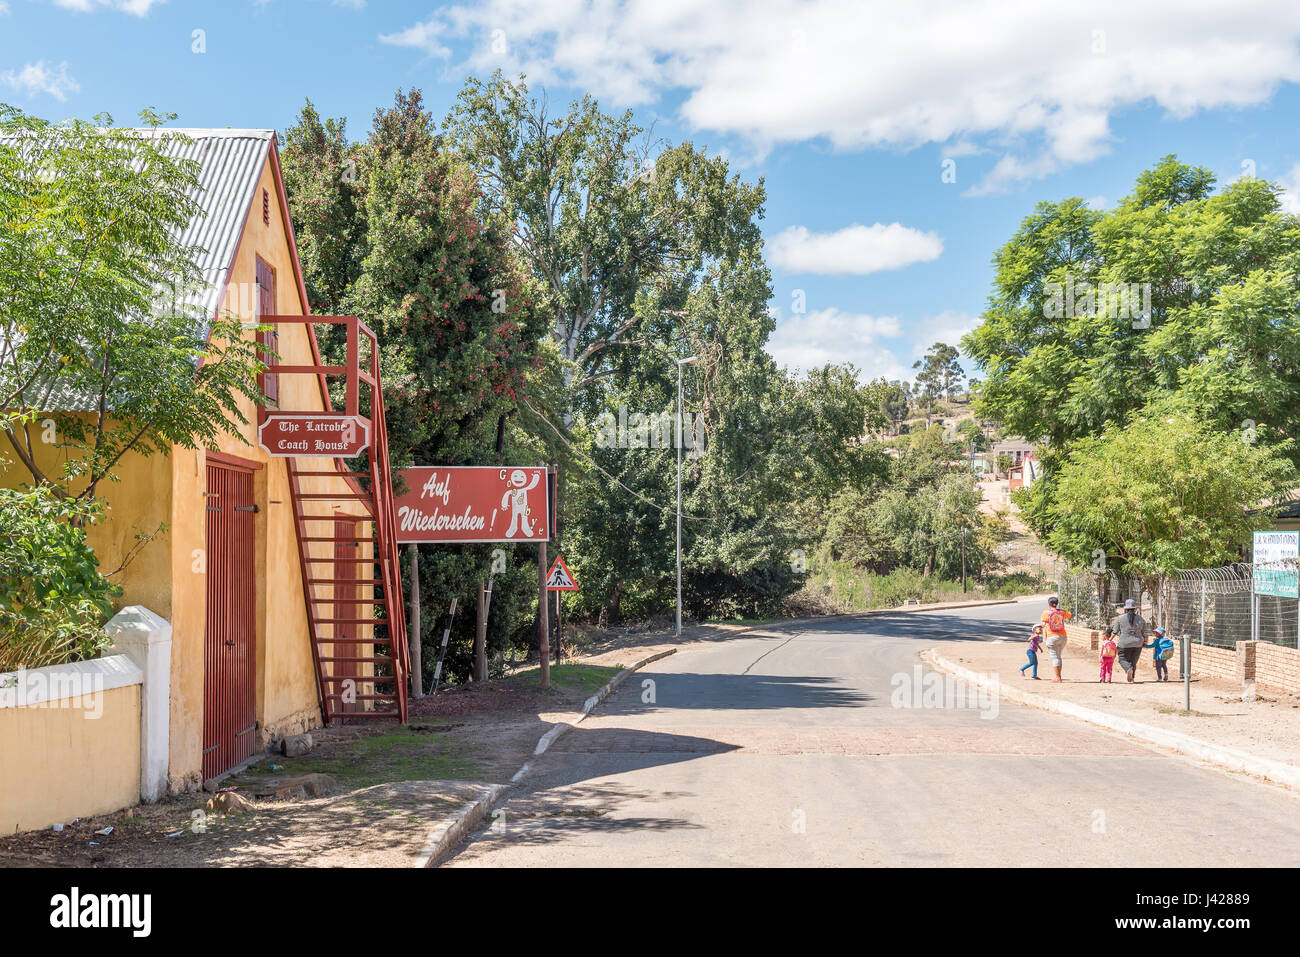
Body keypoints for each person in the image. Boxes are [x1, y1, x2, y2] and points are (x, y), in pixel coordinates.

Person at [1111, 598, 1149, 683]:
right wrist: (1145, 642)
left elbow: (1115, 631)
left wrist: (1109, 640)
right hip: (1138, 643)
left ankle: (1128, 669)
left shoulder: (1120, 619)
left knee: (1122, 659)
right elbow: (1145, 633)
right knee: (1133, 661)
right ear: (1135, 609)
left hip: (1124, 644)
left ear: (1125, 609)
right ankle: (1132, 678)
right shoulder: (1141, 619)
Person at [1040, 595, 1073, 682]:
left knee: (1055, 658)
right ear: (1057, 604)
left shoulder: (1046, 613)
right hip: (1063, 637)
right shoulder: (1062, 612)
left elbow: (1043, 623)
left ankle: (1058, 677)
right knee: (1058, 657)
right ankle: (1059, 676)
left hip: (1052, 637)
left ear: (1049, 604)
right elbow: (1070, 615)